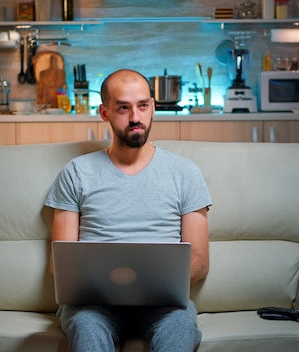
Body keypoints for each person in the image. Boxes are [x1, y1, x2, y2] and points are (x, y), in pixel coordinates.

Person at [44, 69, 212, 352]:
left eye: (143, 105)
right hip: (93, 307)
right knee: (86, 327)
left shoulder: (186, 173)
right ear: (105, 113)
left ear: (153, 108)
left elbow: (199, 260)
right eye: (123, 107)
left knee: (179, 327)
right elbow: (59, 262)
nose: (135, 118)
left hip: (165, 306)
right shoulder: (76, 173)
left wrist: (153, 285)